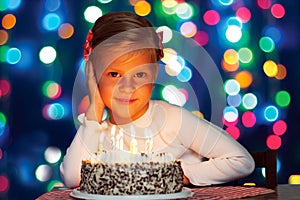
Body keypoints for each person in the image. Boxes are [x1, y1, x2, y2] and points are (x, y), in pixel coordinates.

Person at [60, 11, 255, 188]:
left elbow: (241, 160)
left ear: (154, 75)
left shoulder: (174, 120)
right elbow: (72, 178)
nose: (127, 87)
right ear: (94, 76)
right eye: (113, 74)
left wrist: (173, 175)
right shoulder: (96, 132)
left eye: (139, 75)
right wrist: (94, 110)